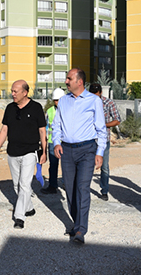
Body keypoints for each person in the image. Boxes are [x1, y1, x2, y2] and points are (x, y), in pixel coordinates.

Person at [52, 69, 106, 244]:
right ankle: (77, 223)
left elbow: (101, 129)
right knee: (69, 188)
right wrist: (57, 142)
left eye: (69, 78)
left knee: (82, 188)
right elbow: (56, 125)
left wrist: (100, 153)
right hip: (66, 150)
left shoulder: (94, 101)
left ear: (80, 81)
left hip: (87, 150)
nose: (66, 81)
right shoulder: (63, 101)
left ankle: (80, 230)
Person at [0, 80, 47, 229]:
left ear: (25, 92)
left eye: (15, 91)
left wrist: (44, 151)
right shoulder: (10, 108)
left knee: (24, 184)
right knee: (17, 185)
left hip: (30, 152)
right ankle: (29, 208)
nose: (13, 94)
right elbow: (4, 129)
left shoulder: (36, 108)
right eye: (12, 91)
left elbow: (42, 131)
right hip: (12, 152)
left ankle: (19, 217)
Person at [89, 83, 121, 201]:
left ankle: (104, 191)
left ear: (100, 93)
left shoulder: (109, 103)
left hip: (103, 140)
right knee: (86, 166)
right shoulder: (86, 102)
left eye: (96, 94)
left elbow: (117, 120)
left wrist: (102, 125)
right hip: (88, 139)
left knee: (104, 167)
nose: (94, 96)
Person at [41, 88, 66, 195]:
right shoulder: (50, 111)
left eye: (59, 100)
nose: (57, 102)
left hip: (65, 142)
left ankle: (67, 184)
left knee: (67, 165)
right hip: (53, 142)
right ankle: (52, 185)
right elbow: (46, 127)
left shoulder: (68, 110)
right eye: (55, 100)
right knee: (53, 165)